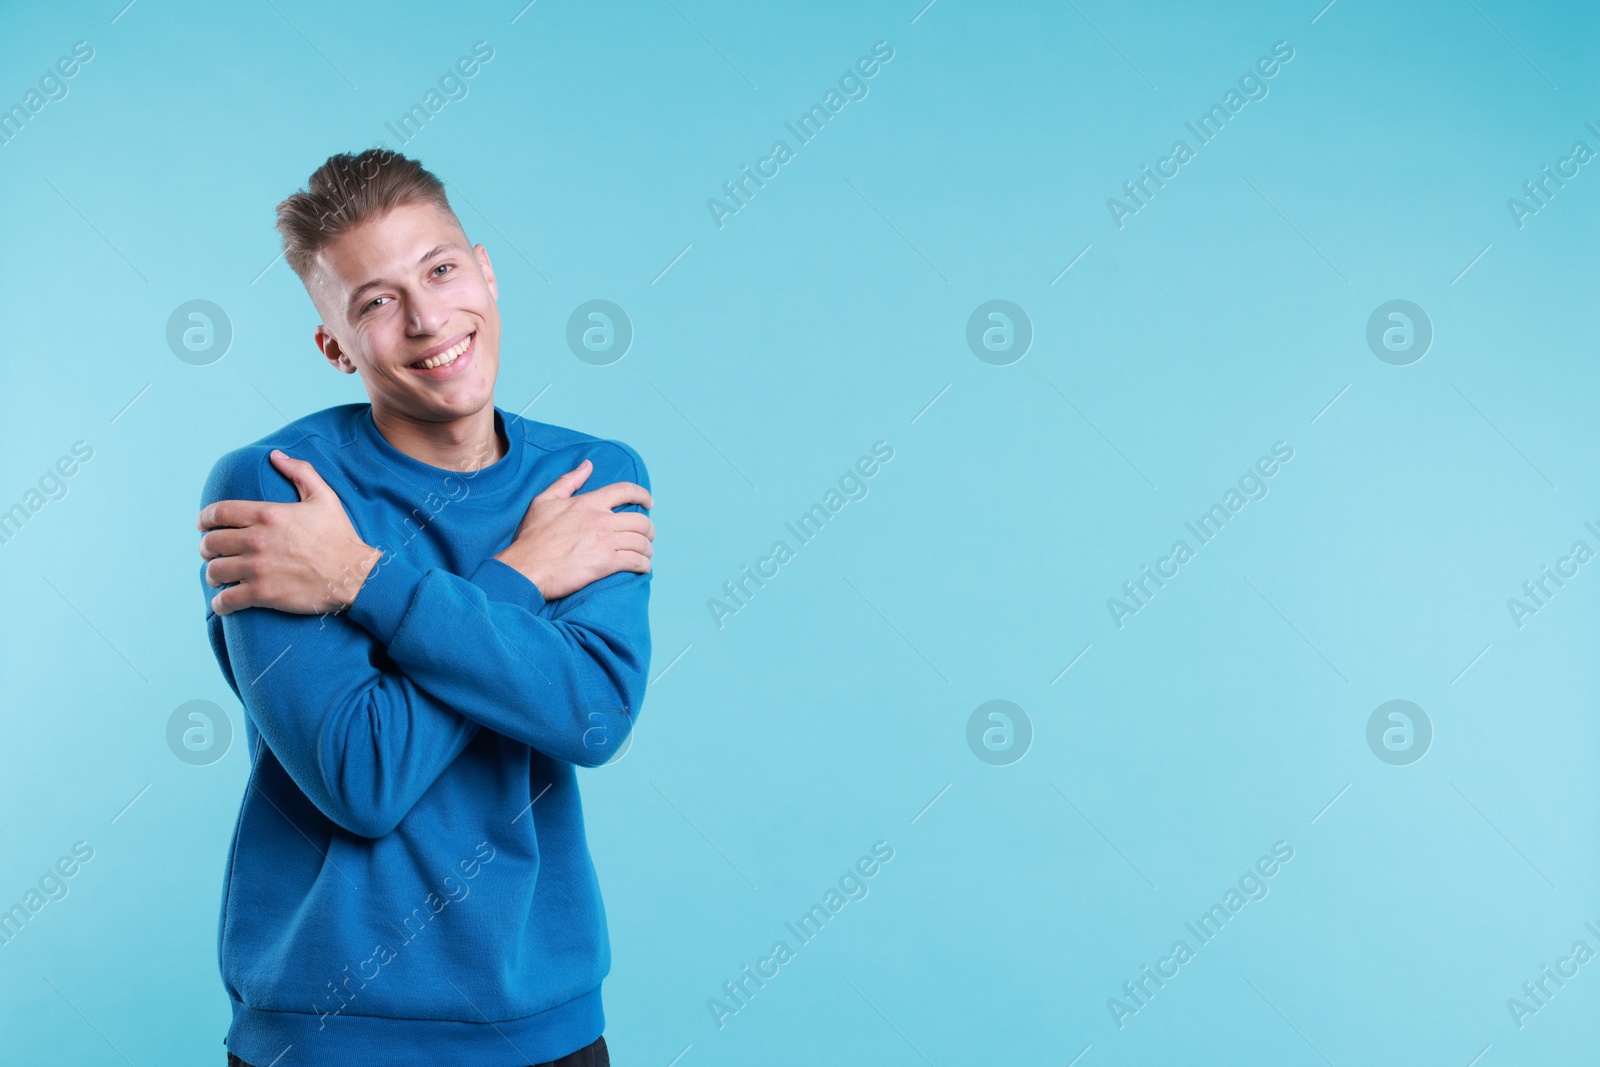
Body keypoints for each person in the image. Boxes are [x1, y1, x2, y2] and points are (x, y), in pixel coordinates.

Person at [194, 148, 654, 1067]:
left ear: (484, 269)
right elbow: (362, 776)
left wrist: (358, 579)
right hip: (324, 1034)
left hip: (545, 1026)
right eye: (375, 301)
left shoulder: (588, 481)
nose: (428, 317)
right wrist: (520, 577)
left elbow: (593, 715)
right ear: (336, 346)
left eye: (441, 270)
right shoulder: (280, 489)